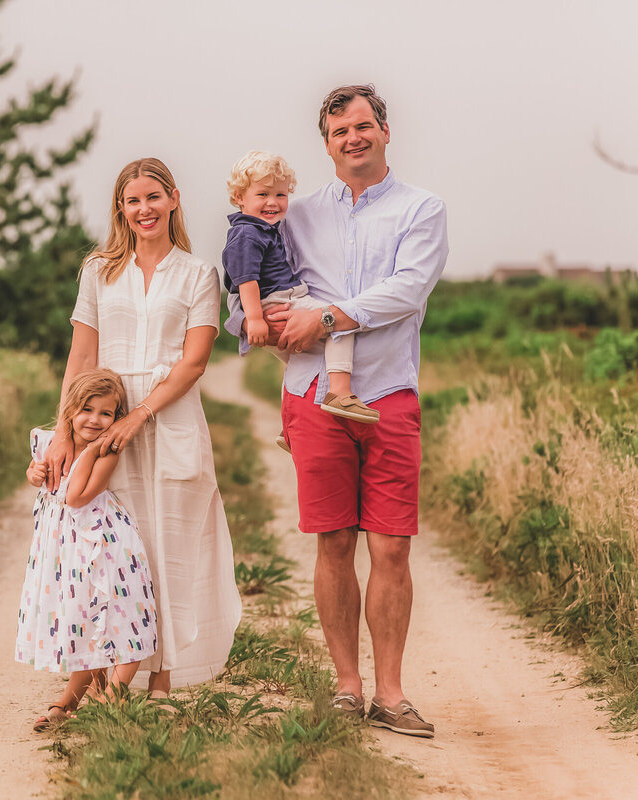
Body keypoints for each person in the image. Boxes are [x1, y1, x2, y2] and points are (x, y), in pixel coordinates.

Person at [225, 85, 448, 737]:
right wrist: (255, 319)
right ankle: (348, 687)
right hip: (313, 396)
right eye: (338, 131)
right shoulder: (293, 215)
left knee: (393, 547)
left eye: (362, 126)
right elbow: (247, 292)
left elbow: (408, 290)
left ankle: (393, 692)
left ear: (384, 130)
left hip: (387, 395)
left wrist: (324, 315)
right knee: (334, 540)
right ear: (325, 143)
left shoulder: (421, 209)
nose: (352, 138)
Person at [44, 157, 242, 697]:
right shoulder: (99, 270)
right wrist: (65, 429)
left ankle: (163, 677)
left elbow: (193, 363)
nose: (143, 209)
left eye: (153, 197)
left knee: (171, 545)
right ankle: (105, 671)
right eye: (132, 201)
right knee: (112, 552)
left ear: (173, 199)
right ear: (121, 209)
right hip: (104, 428)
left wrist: (140, 414)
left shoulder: (199, 274)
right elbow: (82, 353)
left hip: (169, 418)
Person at [17, 369, 157, 731]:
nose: (95, 420)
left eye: (106, 414)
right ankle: (75, 696)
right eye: (87, 410)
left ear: (116, 417)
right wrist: (34, 472)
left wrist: (93, 449)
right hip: (65, 551)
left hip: (105, 543)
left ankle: (114, 698)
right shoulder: (52, 443)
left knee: (122, 614)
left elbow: (77, 495)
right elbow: (41, 477)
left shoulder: (107, 450)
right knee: (81, 617)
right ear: (70, 411)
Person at [222, 150, 378, 435]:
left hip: (276, 301)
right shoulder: (247, 233)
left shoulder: (262, 229)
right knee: (339, 320)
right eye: (263, 195)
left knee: (299, 365)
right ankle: (340, 393)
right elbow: (245, 281)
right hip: (280, 301)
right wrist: (254, 319)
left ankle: (288, 428)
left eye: (281, 195)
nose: (273, 202)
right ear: (239, 197)